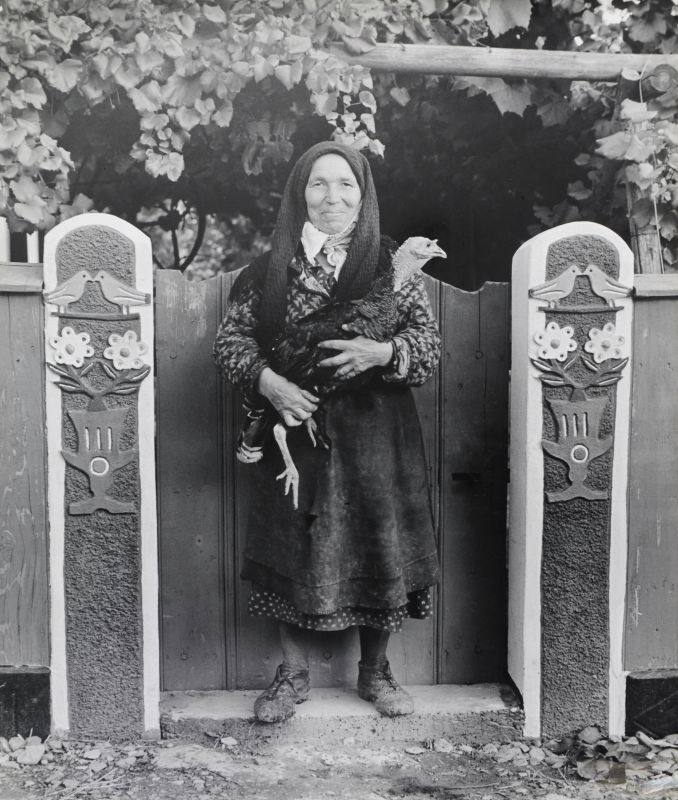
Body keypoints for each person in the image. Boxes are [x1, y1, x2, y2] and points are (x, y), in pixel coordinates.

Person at [213, 141, 441, 723]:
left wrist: (382, 352)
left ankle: (376, 670)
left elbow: (428, 345)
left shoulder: (392, 265)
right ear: (300, 194)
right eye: (318, 183)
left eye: (345, 184)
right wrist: (270, 384)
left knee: (378, 538)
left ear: (363, 196)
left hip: (377, 433)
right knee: (291, 538)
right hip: (297, 425)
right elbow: (231, 341)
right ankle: (291, 674)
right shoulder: (269, 270)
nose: (331, 196)